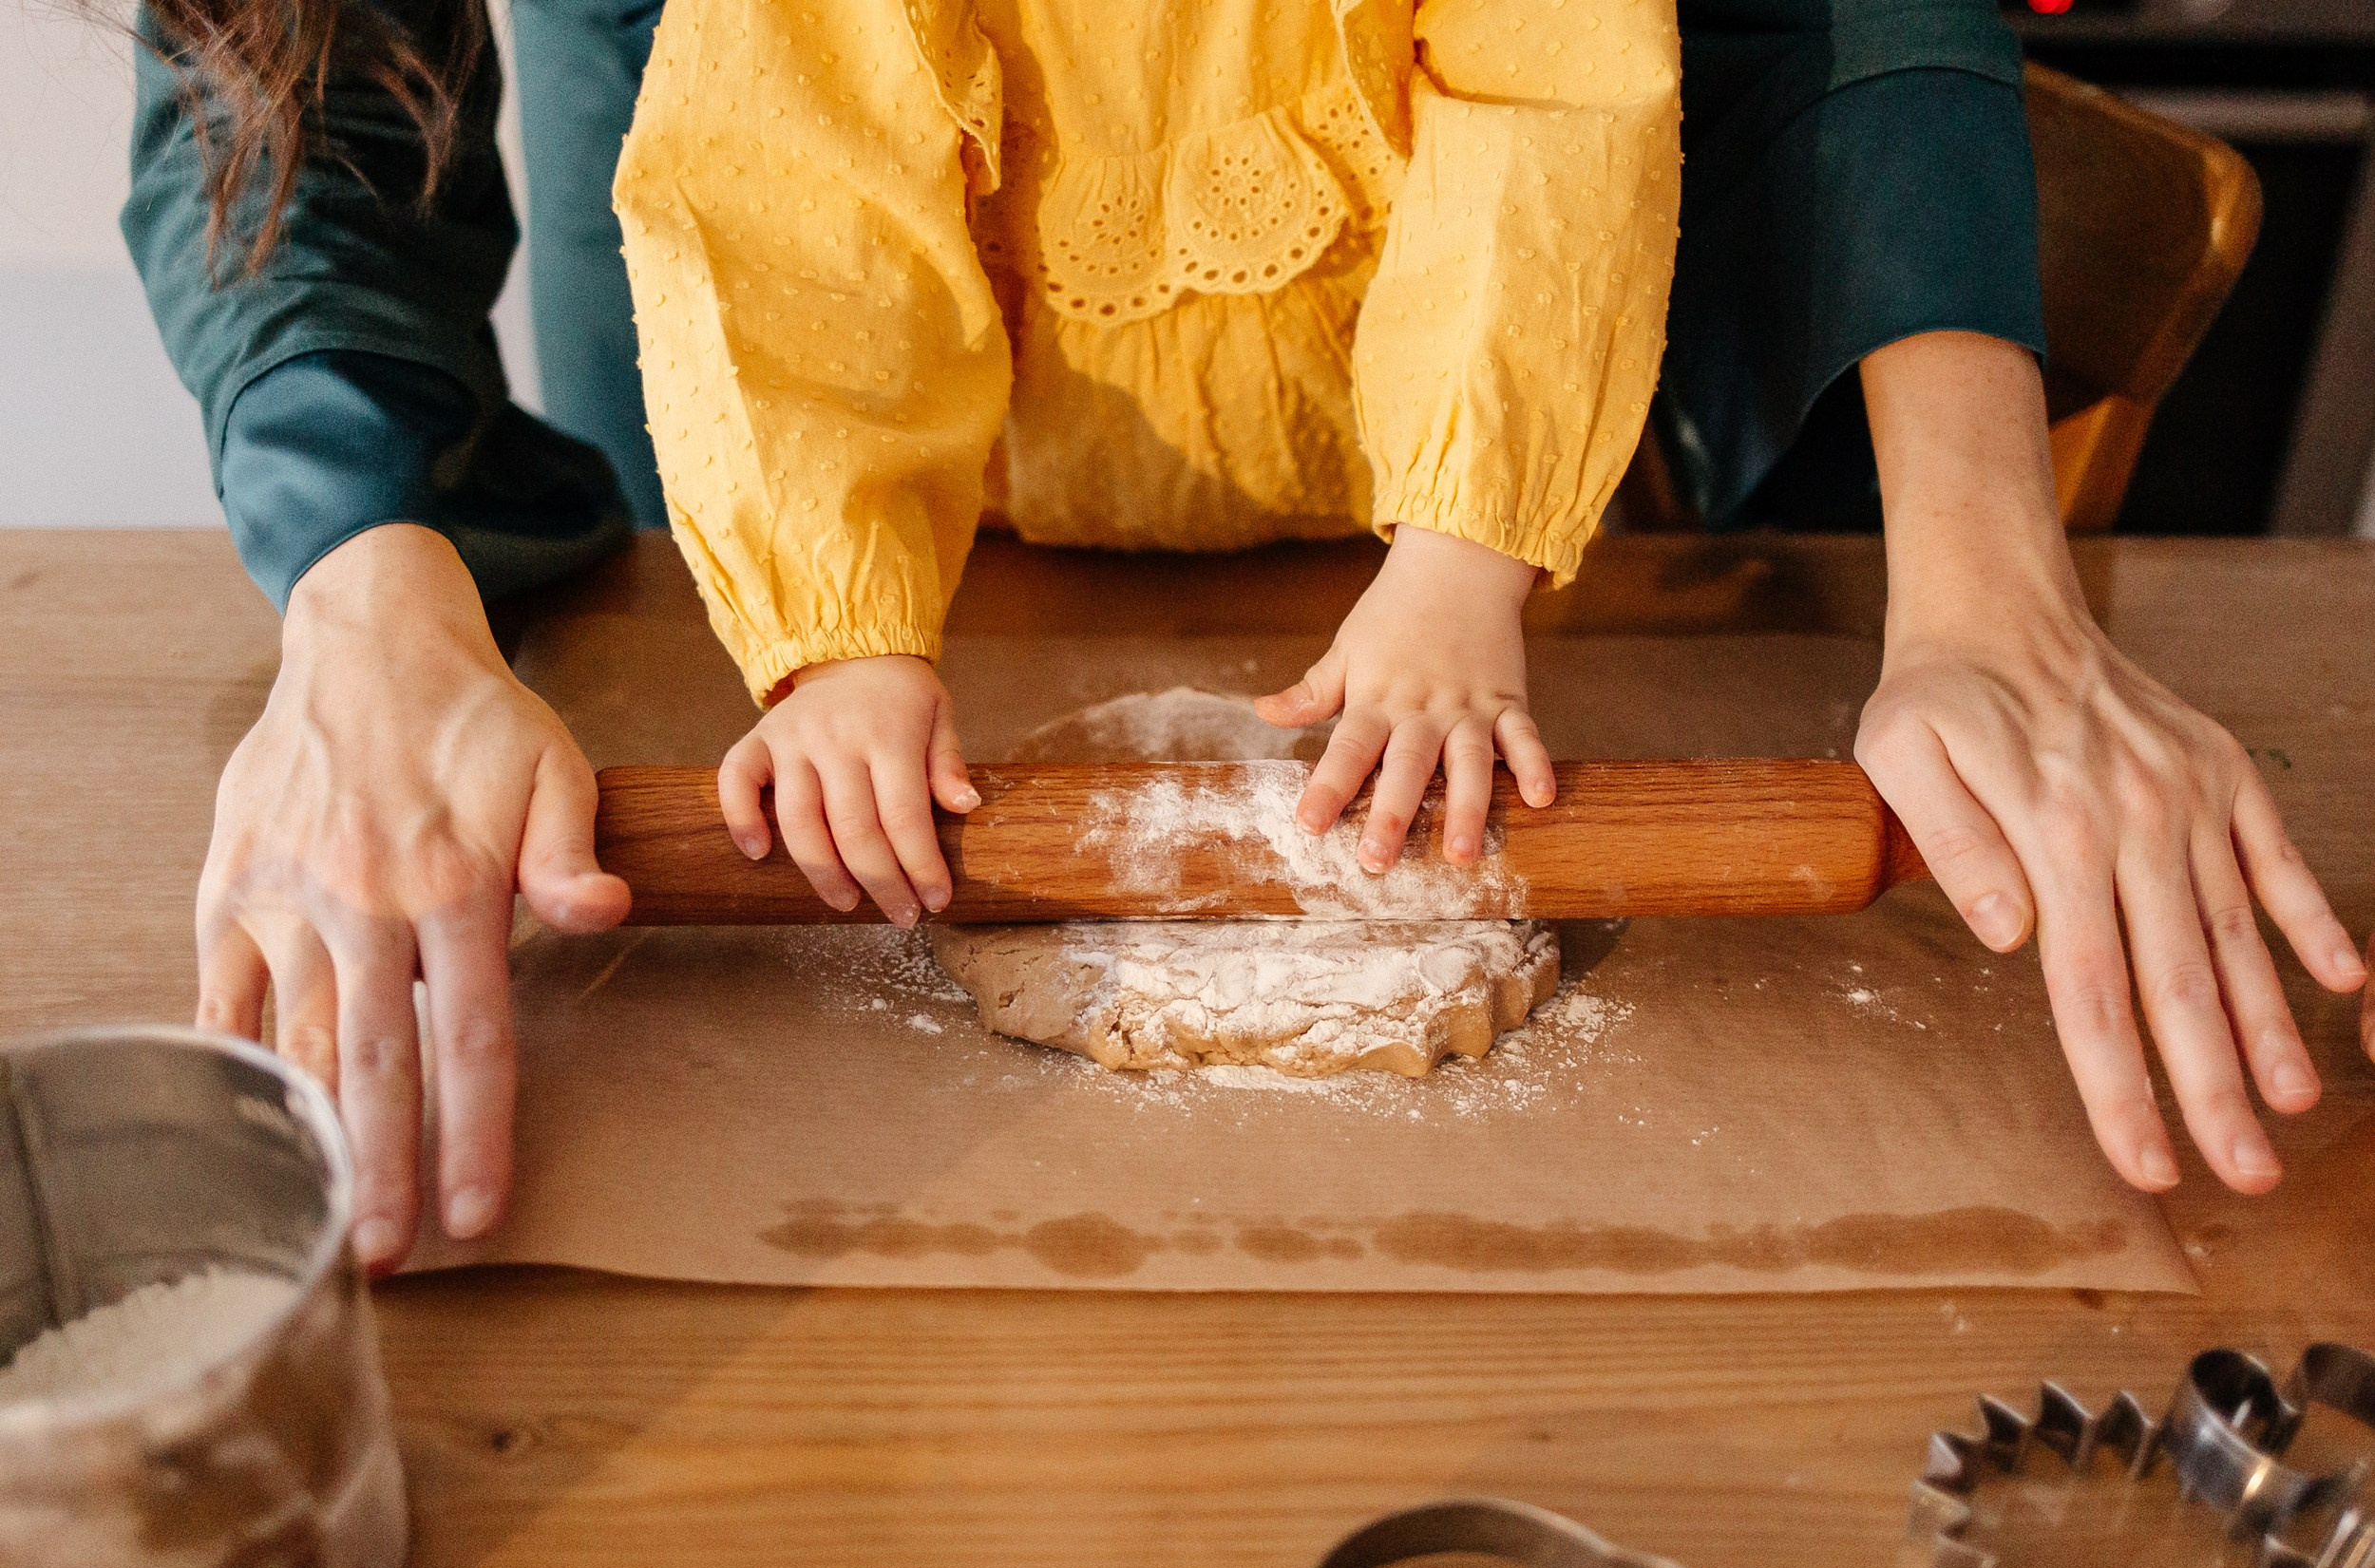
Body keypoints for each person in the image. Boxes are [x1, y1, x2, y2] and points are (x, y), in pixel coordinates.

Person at [118, 0, 2366, 1275]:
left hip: (1442, 547)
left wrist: (1476, 548)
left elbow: (1551, 106)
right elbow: (788, 191)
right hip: (847, 494)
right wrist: (823, 631)